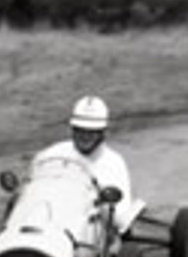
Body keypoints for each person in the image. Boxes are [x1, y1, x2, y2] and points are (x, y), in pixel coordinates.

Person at [32, 96, 137, 234]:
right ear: (72, 129)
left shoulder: (114, 164)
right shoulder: (49, 156)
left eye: (91, 131)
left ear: (102, 132)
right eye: (80, 130)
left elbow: (120, 221)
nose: (84, 136)